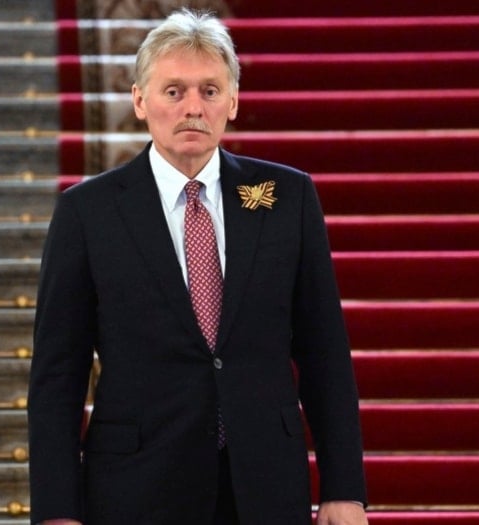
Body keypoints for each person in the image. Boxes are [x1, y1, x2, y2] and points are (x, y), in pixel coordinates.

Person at [28, 8, 368, 525]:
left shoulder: (287, 197)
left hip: (265, 489)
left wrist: (345, 489)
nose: (193, 107)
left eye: (210, 91)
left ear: (232, 100)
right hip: (135, 490)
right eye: (174, 91)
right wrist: (57, 511)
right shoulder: (87, 212)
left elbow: (324, 352)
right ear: (140, 100)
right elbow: (58, 375)